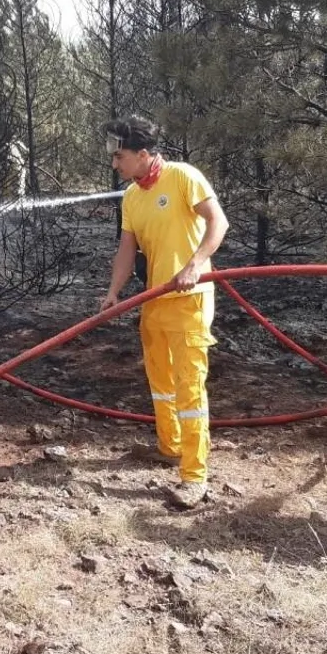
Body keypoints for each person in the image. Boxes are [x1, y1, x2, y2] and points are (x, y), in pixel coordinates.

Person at [100, 115, 229, 510]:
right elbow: (127, 249)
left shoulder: (183, 177)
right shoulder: (132, 197)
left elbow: (218, 222)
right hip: (154, 298)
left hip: (189, 300)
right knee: (159, 377)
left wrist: (194, 265)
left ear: (142, 154)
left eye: (119, 156)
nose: (114, 164)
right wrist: (114, 292)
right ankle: (170, 446)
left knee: (189, 386)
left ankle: (195, 477)